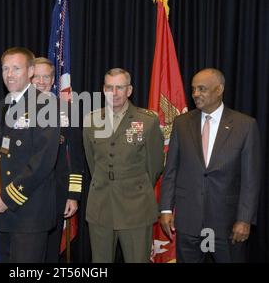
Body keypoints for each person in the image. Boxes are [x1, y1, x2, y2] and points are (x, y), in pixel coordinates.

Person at [159, 68, 261, 263]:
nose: (195, 94)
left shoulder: (245, 125)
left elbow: (251, 179)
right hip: (188, 222)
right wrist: (165, 209)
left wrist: (245, 219)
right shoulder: (181, 123)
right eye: (193, 89)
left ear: (219, 89)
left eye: (202, 89)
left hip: (228, 224)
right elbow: (171, 170)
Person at [0, 47, 61, 262]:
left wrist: (7, 198)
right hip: (6, 212)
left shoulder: (46, 105)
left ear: (31, 71)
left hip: (30, 211)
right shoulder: (3, 105)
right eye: (5, 68)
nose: (9, 74)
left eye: (16, 68)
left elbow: (43, 161)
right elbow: (2, 155)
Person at [83, 68, 164, 263]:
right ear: (103, 90)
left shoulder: (147, 121)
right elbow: (92, 162)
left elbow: (154, 166)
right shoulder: (91, 120)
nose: (115, 93)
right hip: (100, 205)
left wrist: (132, 185)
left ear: (129, 91)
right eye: (110, 87)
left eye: (120, 87)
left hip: (135, 207)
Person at [31, 57, 84, 262]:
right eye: (36, 76)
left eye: (46, 76)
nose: (41, 81)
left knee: (51, 252)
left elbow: (76, 157)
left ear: (53, 80)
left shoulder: (67, 110)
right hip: (23, 196)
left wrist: (73, 195)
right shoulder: (13, 109)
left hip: (55, 194)